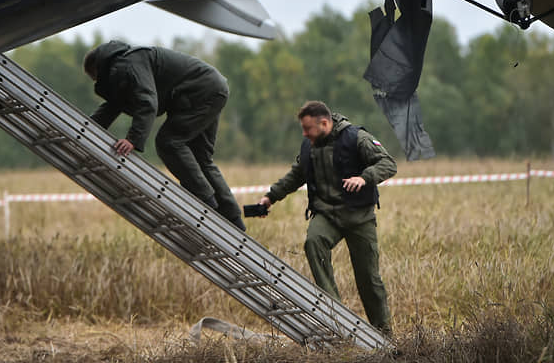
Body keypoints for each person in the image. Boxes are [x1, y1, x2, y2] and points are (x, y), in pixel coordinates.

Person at [258, 100, 396, 334]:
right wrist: (271, 197)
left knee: (369, 280)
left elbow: (388, 163)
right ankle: (336, 316)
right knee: (313, 241)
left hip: (359, 217)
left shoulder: (356, 137)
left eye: (308, 128)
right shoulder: (309, 145)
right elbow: (296, 175)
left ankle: (384, 335)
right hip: (327, 215)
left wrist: (364, 178)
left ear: (324, 123)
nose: (304, 133)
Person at [84, 40, 246, 231]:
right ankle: (233, 220)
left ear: (98, 67)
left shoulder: (128, 64)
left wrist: (132, 139)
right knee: (201, 158)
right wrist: (86, 130)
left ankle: (204, 203)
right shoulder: (126, 65)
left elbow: (147, 101)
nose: (97, 82)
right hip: (211, 87)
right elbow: (113, 106)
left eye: (95, 78)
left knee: (169, 142)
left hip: (200, 91)